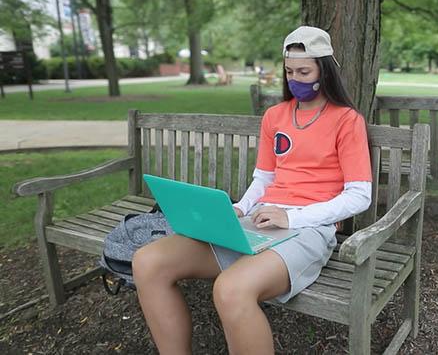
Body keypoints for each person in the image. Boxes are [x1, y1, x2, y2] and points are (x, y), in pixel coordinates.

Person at [132, 26, 373, 355]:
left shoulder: (347, 121)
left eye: (304, 71)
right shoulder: (275, 116)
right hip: (259, 221)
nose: (295, 79)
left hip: (308, 230)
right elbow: (264, 178)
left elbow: (359, 195)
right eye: (289, 72)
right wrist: (242, 208)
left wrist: (291, 216)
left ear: (324, 70)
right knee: (148, 261)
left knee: (230, 289)